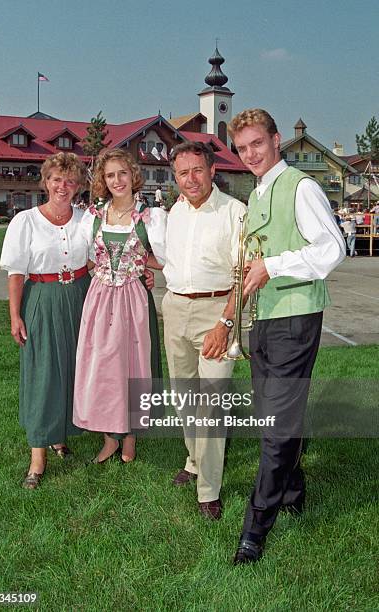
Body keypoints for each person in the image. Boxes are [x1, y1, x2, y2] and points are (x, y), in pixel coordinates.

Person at [227, 109, 346, 563]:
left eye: (258, 143)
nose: (251, 154)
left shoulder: (301, 186)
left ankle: (256, 527)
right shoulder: (259, 191)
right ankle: (293, 489)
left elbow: (331, 249)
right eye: (242, 148)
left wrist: (272, 266)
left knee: (276, 428)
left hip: (296, 318)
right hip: (267, 317)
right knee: (272, 418)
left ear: (277, 140)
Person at [162, 141, 246, 520]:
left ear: (212, 170)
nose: (191, 179)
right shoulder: (173, 213)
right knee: (184, 397)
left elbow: (244, 277)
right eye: (183, 173)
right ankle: (194, 461)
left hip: (217, 312)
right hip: (175, 307)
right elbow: (169, 262)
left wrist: (225, 323)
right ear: (175, 176)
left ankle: (208, 489)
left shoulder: (235, 213)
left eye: (198, 170)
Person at [0, 152, 91, 489]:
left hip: (81, 296)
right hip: (41, 296)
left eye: (70, 180)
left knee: (73, 368)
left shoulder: (86, 218)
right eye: (56, 179)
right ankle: (37, 455)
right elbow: (15, 272)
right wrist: (15, 315)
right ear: (46, 182)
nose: (62, 186)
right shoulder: (26, 221)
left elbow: (108, 256)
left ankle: (60, 433)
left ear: (78, 185)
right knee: (43, 372)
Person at [73, 149, 166, 463]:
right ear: (103, 179)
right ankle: (108, 436)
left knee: (132, 364)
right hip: (100, 298)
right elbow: (82, 254)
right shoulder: (93, 215)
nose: (117, 181)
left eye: (122, 173)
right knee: (102, 366)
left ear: (133, 175)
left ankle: (129, 436)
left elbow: (165, 259)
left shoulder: (150, 216)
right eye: (110, 175)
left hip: (132, 299)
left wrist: (145, 269)